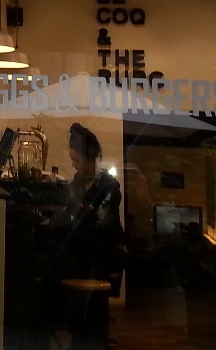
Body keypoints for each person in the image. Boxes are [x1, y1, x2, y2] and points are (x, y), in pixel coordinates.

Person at [40, 123, 126, 339]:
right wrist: (52, 220)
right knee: (50, 247)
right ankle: (62, 320)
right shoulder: (77, 182)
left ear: (91, 158)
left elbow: (99, 223)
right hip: (83, 245)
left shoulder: (109, 186)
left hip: (103, 248)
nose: (73, 164)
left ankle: (74, 324)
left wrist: (66, 220)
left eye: (76, 160)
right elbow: (70, 212)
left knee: (58, 253)